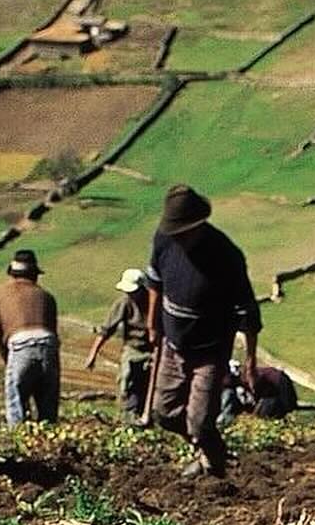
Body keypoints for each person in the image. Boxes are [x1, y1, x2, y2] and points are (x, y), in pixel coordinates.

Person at [145, 183, 261, 478]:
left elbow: (247, 311)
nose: (178, 238)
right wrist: (152, 322)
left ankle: (213, 465)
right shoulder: (164, 240)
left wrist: (250, 360)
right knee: (165, 413)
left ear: (198, 225)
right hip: (174, 344)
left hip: (210, 350)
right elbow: (155, 283)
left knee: (199, 420)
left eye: (183, 232)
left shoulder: (227, 255)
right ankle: (209, 451)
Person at [0, 248, 59, 425]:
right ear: (34, 275)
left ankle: (18, 440)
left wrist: (7, 359)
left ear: (12, 274)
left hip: (20, 345)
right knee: (48, 406)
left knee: (16, 402)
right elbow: (54, 334)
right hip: (48, 345)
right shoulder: (47, 296)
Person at [86, 266, 153, 423]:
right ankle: (128, 419)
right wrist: (93, 354)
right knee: (127, 384)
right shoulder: (123, 303)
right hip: (133, 349)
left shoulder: (155, 302)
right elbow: (107, 330)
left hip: (154, 350)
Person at [219, 359, 297, 428]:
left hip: (278, 387)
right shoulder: (243, 378)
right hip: (273, 389)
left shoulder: (248, 377)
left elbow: (260, 391)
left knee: (263, 416)